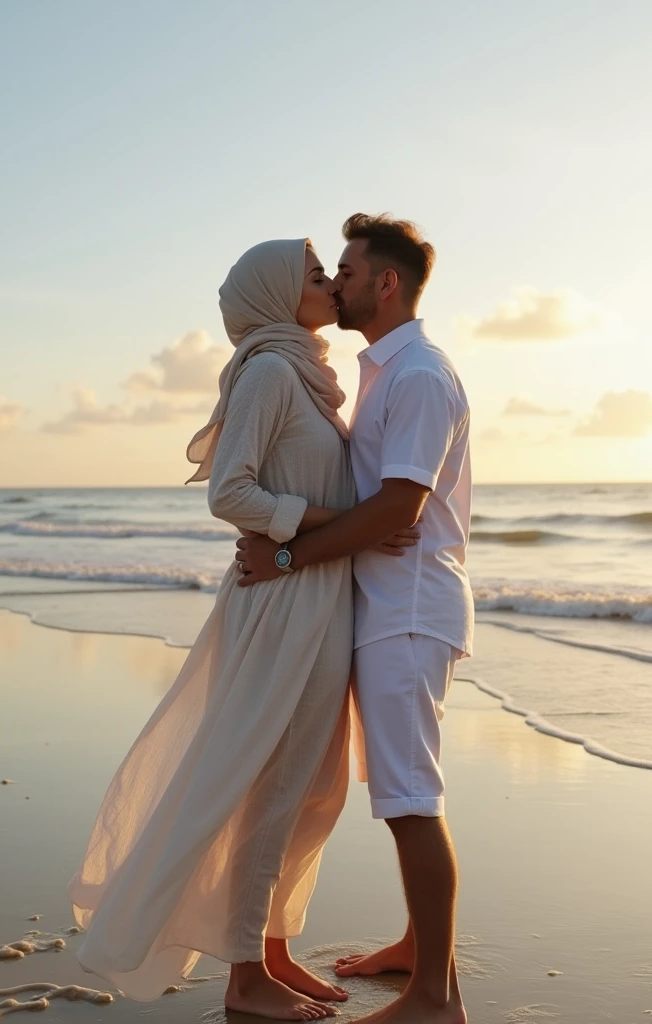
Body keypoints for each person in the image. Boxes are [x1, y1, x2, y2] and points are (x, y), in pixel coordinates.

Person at [69, 237, 414, 1020]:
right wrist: (343, 521)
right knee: (275, 783)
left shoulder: (305, 375)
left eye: (331, 271)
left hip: (316, 596)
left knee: (310, 786)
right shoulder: (267, 371)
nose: (329, 283)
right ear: (271, 295)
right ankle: (244, 978)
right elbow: (232, 493)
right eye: (314, 274)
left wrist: (329, 532)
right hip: (285, 603)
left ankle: (273, 950)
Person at [236, 214, 474, 1024]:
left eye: (345, 269)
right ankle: (418, 947)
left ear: (387, 283)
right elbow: (374, 506)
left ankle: (436, 996)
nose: (334, 282)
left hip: (407, 607)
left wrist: (286, 556)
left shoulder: (417, 378)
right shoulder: (380, 370)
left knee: (410, 797)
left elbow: (396, 509)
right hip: (383, 605)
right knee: (401, 789)